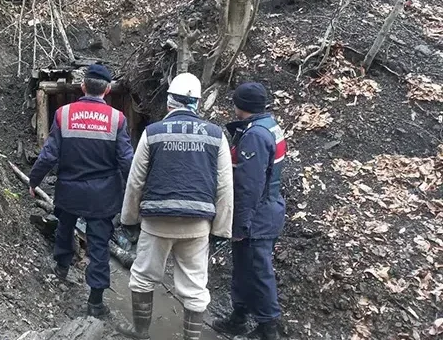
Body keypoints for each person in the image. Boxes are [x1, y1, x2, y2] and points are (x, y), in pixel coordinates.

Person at [116, 73, 234, 340]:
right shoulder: (216, 136)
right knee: (195, 287)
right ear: (197, 103)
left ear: (170, 102)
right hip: (197, 224)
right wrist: (221, 230)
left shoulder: (153, 133)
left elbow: (135, 181)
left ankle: (141, 331)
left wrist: (129, 220)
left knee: (143, 277)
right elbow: (225, 187)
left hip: (156, 222)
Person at [28, 64, 134, 318]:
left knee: (65, 228)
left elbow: (49, 155)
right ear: (107, 90)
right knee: (99, 245)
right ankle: (95, 301)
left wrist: (34, 181)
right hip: (103, 196)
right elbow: (127, 161)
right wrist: (134, 193)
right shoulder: (117, 119)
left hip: (69, 191)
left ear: (83, 86)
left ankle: (61, 267)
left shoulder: (64, 114)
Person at [212, 82, 286, 340]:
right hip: (267, 209)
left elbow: (249, 185)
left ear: (240, 105)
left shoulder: (255, 136)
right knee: (245, 269)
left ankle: (268, 329)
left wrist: (241, 225)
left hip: (257, 217)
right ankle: (239, 317)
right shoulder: (269, 125)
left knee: (257, 272)